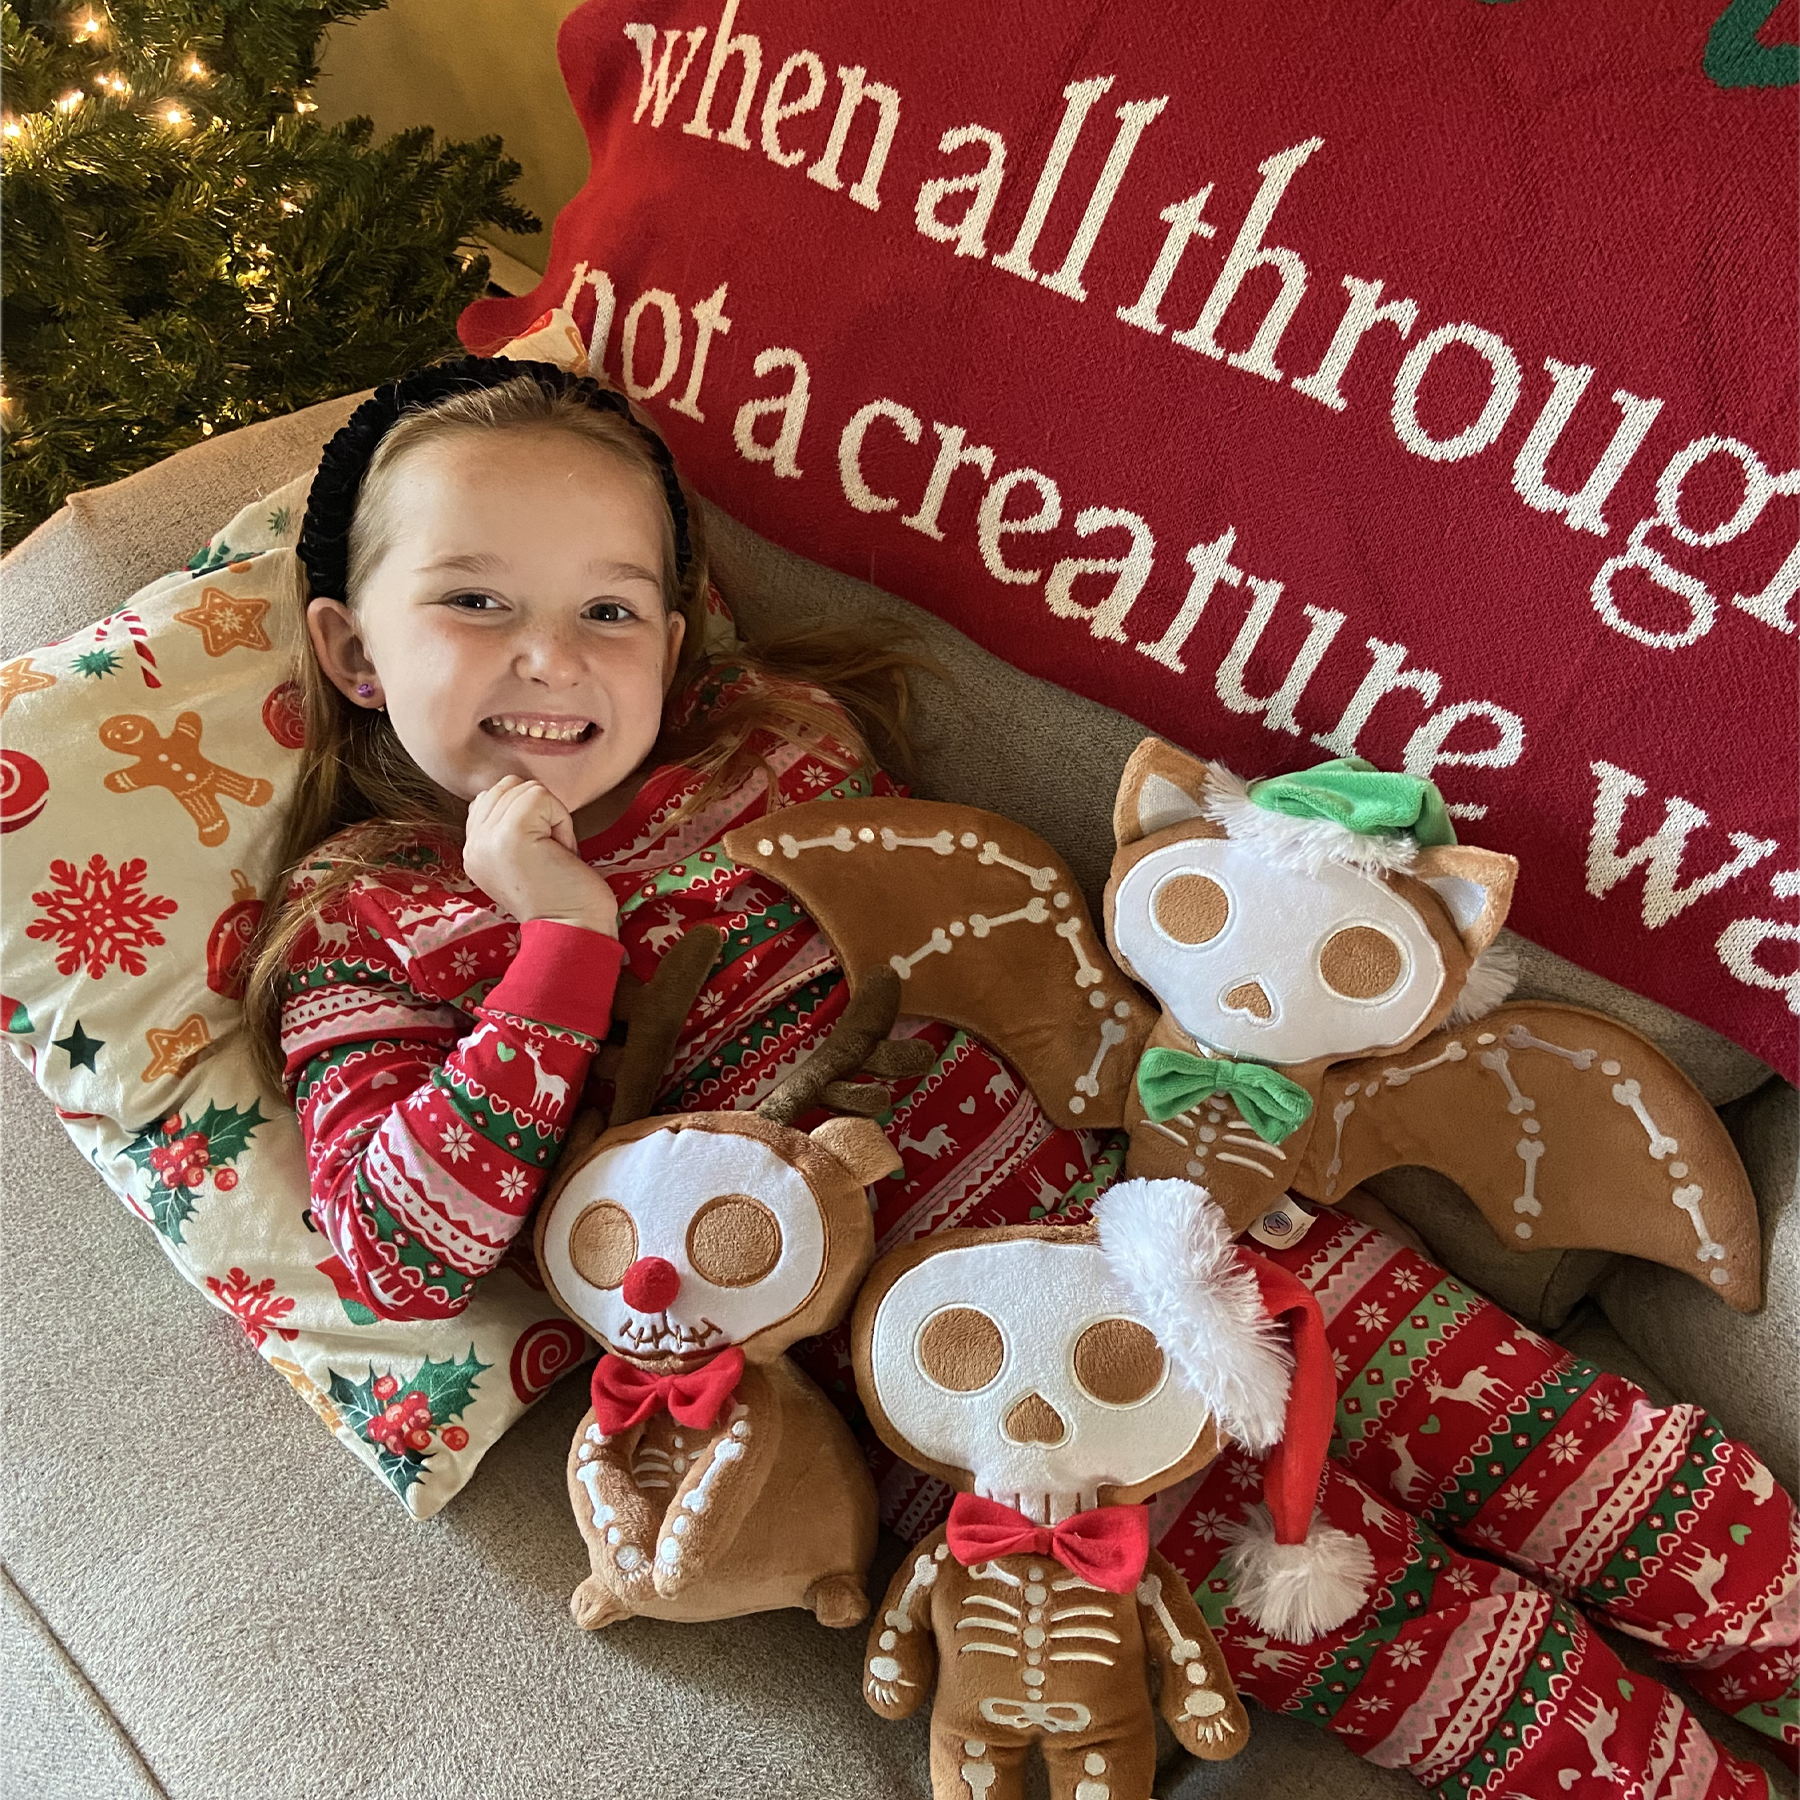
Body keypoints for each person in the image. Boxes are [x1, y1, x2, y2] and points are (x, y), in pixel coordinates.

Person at [247, 356, 1793, 1794]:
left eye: (609, 607)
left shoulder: (780, 750)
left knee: (1608, 1468)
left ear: (674, 628)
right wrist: (561, 948)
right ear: (351, 649)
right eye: (472, 600)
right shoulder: (368, 929)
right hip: (997, 1414)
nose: (549, 656)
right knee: (1435, 1658)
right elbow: (398, 1257)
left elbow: (1038, 971)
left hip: (1184, 1215)